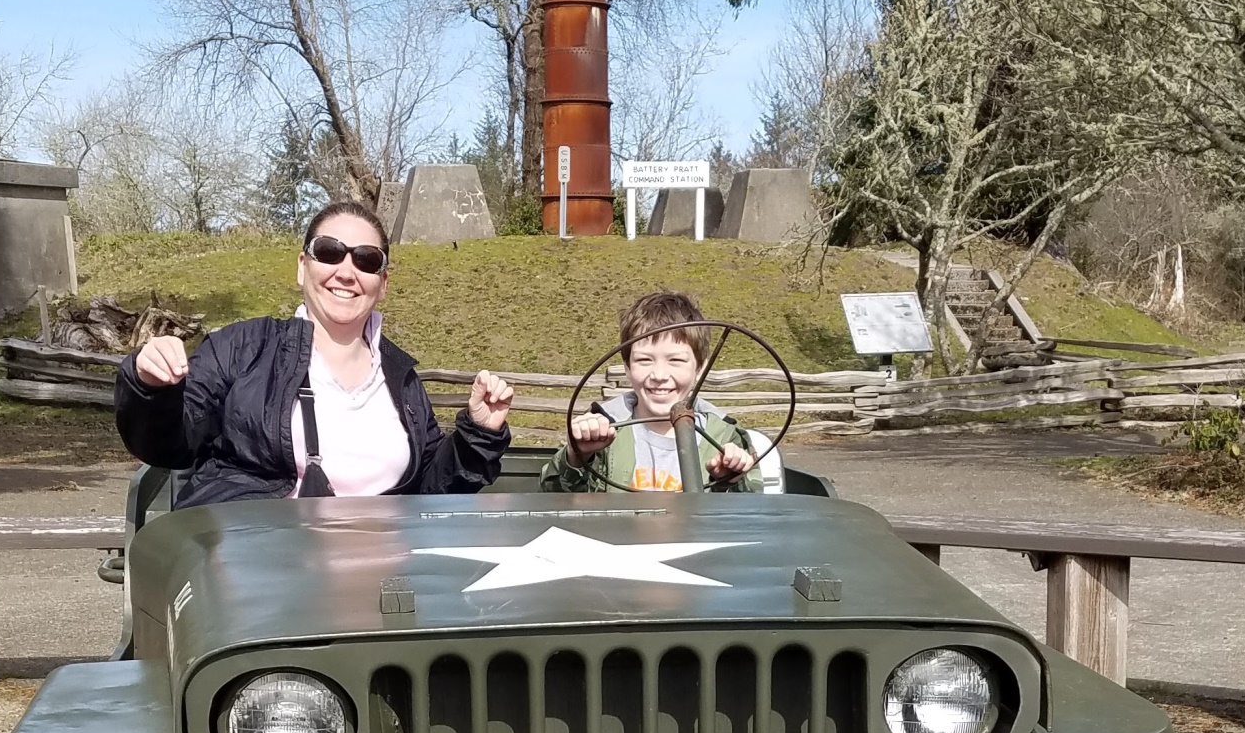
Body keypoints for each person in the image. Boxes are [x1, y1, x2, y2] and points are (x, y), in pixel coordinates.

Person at [115, 201, 514, 506]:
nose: (346, 270)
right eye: (329, 252)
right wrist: (150, 386)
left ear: (383, 283)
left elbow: (430, 494)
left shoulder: (402, 378)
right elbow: (167, 445)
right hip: (254, 569)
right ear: (303, 267)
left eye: (366, 260)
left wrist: (479, 434)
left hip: (377, 578)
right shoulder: (242, 348)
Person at [540, 289, 762, 493]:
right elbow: (554, 502)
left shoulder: (724, 437)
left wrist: (729, 480)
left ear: (700, 368)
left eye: (675, 360)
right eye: (644, 360)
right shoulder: (602, 429)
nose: (659, 375)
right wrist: (577, 456)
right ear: (627, 367)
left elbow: (752, 517)